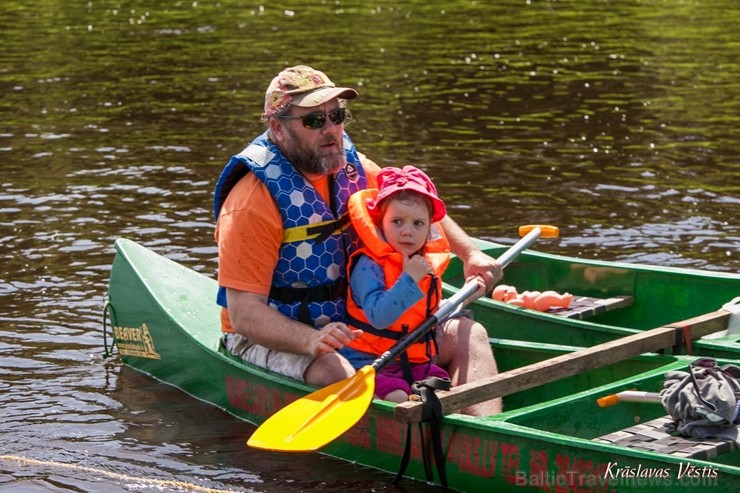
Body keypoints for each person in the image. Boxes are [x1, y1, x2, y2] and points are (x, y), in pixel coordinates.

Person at [213, 65, 502, 414]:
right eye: (314, 121)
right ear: (278, 128)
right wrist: (311, 340)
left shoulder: (349, 165)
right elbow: (245, 316)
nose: (332, 130)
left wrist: (470, 253)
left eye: (337, 116)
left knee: (470, 335)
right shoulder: (251, 203)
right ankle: (411, 432)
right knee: (336, 368)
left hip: (356, 318)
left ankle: (481, 438)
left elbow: (415, 202)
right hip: (279, 332)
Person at [344, 165, 477, 406]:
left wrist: (466, 298)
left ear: (429, 228)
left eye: (418, 224)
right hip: (370, 359)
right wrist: (408, 280)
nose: (407, 231)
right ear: (380, 223)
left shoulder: (422, 262)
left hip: (415, 360)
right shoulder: (369, 265)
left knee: (443, 390)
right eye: (397, 222)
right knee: (398, 397)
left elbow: (427, 311)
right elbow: (379, 318)